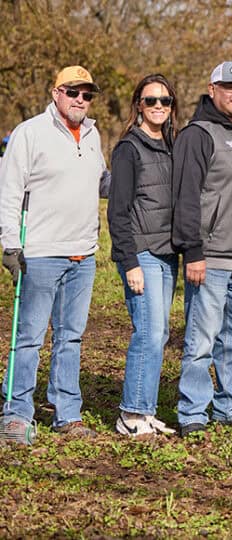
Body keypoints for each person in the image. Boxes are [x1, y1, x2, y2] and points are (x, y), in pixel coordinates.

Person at [0, 65, 108, 442]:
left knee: (71, 337)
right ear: (56, 93)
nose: (80, 99)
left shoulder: (93, 135)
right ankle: (16, 413)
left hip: (83, 254)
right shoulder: (30, 133)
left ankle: (67, 414)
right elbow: (10, 190)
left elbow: (101, 181)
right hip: (41, 254)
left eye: (87, 94)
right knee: (28, 335)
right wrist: (10, 243)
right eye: (73, 92)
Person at [172, 61, 232, 437]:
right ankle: (193, 411)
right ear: (213, 89)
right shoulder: (199, 134)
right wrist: (193, 251)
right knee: (201, 340)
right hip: (210, 257)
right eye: (231, 87)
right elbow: (186, 197)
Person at [108, 74, 181, 437]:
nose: (158, 107)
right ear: (139, 104)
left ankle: (146, 409)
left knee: (160, 332)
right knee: (149, 332)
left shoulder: (169, 145)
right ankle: (131, 414)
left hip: (167, 253)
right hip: (142, 253)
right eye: (151, 100)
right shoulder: (129, 149)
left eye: (165, 102)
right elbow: (117, 211)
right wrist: (129, 261)